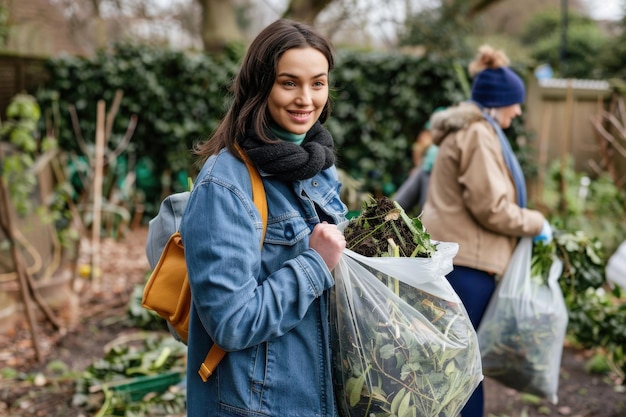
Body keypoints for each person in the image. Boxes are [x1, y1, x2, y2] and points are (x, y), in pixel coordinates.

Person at [179, 19, 347, 416]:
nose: (306, 98)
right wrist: (314, 263)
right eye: (288, 83)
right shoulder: (225, 185)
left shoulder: (319, 167)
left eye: (318, 83)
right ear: (260, 86)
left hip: (317, 396)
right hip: (260, 405)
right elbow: (232, 322)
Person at [420, 44, 553, 417]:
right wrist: (537, 222)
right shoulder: (479, 134)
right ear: (497, 103)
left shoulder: (473, 130)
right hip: (468, 268)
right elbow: (491, 208)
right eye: (515, 102)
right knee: (463, 370)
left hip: (464, 262)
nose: (519, 110)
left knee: (458, 364)